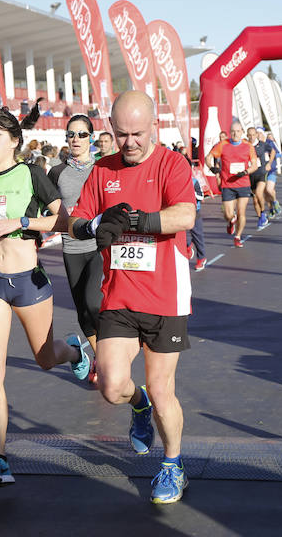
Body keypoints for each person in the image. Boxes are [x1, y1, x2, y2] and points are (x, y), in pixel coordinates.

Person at [69, 90, 196, 505]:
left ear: (154, 126)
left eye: (138, 133)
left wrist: (138, 220)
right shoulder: (103, 169)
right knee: (111, 386)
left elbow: (185, 214)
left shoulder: (171, 163)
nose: (130, 143)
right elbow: (74, 220)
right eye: (121, 134)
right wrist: (96, 227)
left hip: (165, 296)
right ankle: (136, 405)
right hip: (119, 297)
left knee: (163, 388)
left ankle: (172, 466)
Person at [0, 102, 90, 488]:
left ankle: (74, 350)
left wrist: (22, 222)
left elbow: (63, 219)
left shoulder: (31, 173)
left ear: (15, 141)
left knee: (45, 358)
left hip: (28, 280)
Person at [48, 114, 102, 383]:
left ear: (92, 137)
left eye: (82, 134)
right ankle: (94, 356)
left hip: (100, 247)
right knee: (83, 310)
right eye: (71, 134)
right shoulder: (57, 172)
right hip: (71, 248)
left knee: (94, 304)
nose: (76, 139)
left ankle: (104, 363)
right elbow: (40, 208)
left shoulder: (104, 168)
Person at [205, 120, 257, 247]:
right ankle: (231, 221)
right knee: (228, 214)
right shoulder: (223, 144)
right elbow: (208, 157)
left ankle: (238, 236)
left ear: (242, 132)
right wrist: (212, 167)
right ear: (230, 133)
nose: (235, 134)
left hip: (243, 183)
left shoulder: (248, 146)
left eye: (238, 131)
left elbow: (255, 165)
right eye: (233, 132)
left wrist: (245, 172)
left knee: (241, 213)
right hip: (227, 184)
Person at [247, 127, 269, 229]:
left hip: (261, 172)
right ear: (247, 136)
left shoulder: (262, 144)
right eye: (249, 135)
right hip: (251, 175)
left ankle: (263, 213)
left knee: (259, 193)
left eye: (253, 135)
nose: (251, 137)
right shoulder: (245, 146)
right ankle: (260, 217)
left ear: (256, 135)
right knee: (255, 200)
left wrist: (269, 163)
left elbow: (273, 151)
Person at [187, 157, 207, 271]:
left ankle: (201, 258)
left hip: (195, 211)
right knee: (179, 234)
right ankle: (188, 246)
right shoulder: (175, 180)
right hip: (180, 211)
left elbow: (201, 196)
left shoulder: (194, 181)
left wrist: (191, 192)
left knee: (197, 235)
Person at [263, 130, 282, 218]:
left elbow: (278, 153)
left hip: (271, 170)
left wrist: (271, 156)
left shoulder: (270, 143)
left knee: (269, 189)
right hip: (261, 172)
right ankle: (271, 210)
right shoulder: (255, 145)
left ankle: (275, 202)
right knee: (265, 193)